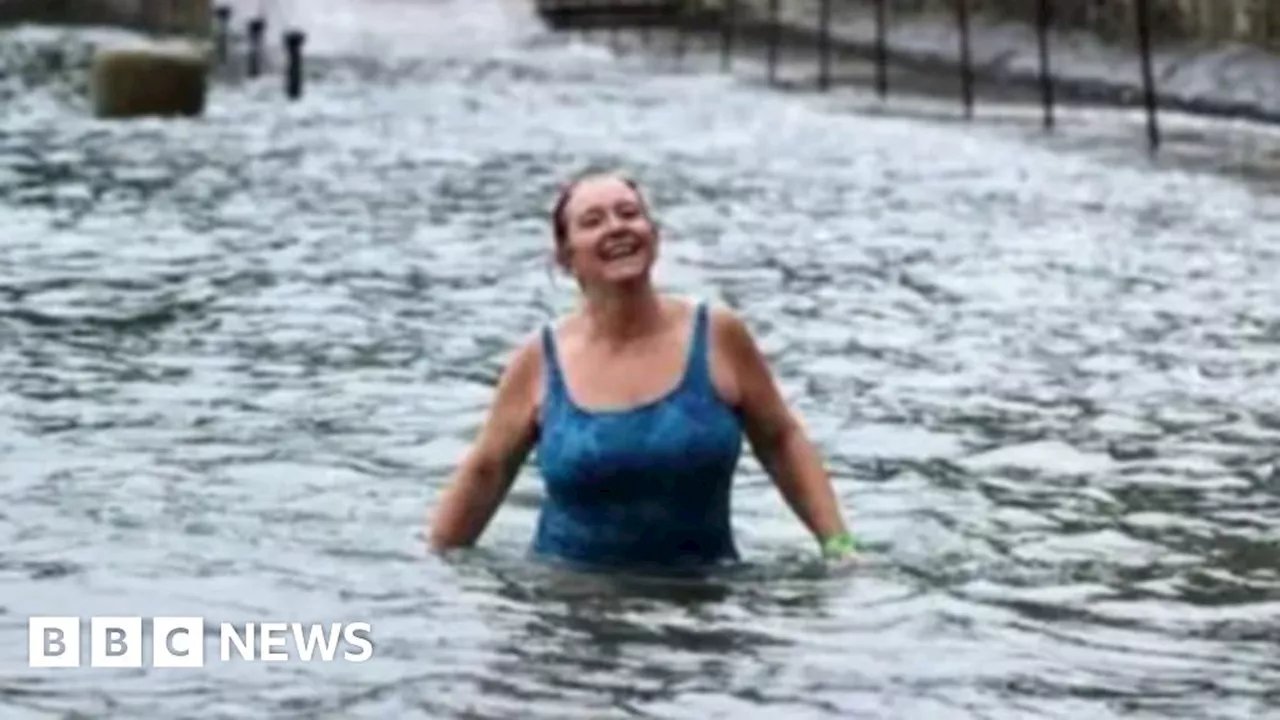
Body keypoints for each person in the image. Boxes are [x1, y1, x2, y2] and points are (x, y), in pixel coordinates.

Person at [427, 170, 859, 574]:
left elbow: (781, 439)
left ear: (654, 235)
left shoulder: (717, 335)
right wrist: (432, 568)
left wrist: (837, 545)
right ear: (565, 256)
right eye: (593, 221)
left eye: (629, 214)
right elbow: (488, 470)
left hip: (704, 604)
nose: (616, 227)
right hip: (567, 610)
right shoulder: (539, 359)